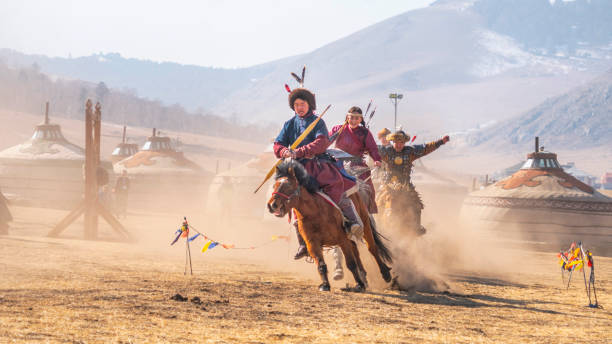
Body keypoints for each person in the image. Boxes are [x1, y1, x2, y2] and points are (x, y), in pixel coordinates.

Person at [273, 88, 362, 260]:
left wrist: (299, 152)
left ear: (309, 105)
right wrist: (283, 151)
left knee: (335, 187)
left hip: (316, 165)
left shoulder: (318, 122)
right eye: (296, 104)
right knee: (287, 196)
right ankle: (302, 242)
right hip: (296, 168)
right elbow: (278, 144)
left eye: (302, 104)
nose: (299, 107)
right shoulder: (289, 124)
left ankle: (352, 223)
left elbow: (322, 143)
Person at [378, 130, 449, 235]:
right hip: (388, 186)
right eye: (396, 142)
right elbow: (370, 148)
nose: (398, 144)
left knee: (416, 204)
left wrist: (440, 142)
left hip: (406, 186)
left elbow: (426, 148)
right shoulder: (385, 151)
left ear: (405, 143)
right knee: (378, 202)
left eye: (401, 142)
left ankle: (416, 227)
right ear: (392, 141)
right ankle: (378, 227)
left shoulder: (411, 151)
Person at [329, 106, 382, 214]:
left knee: (368, 189)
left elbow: (373, 148)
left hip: (358, 165)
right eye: (351, 117)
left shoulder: (365, 132)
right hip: (338, 165)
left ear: (360, 119)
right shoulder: (337, 129)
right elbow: (326, 141)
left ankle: (367, 213)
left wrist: (376, 159)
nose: (353, 120)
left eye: (356, 118)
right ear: (347, 117)